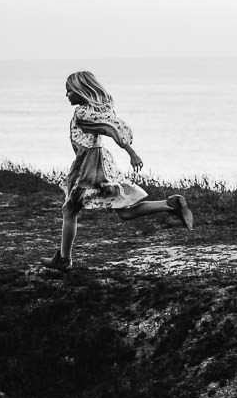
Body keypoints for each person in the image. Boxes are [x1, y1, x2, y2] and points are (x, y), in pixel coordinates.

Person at [44, 71, 193, 272]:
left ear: (81, 90)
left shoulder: (82, 113)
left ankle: (64, 259)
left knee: (69, 209)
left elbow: (110, 127)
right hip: (99, 163)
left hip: (89, 167)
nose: (66, 95)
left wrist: (131, 152)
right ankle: (170, 204)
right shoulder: (94, 110)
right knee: (125, 213)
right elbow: (109, 124)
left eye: (69, 90)